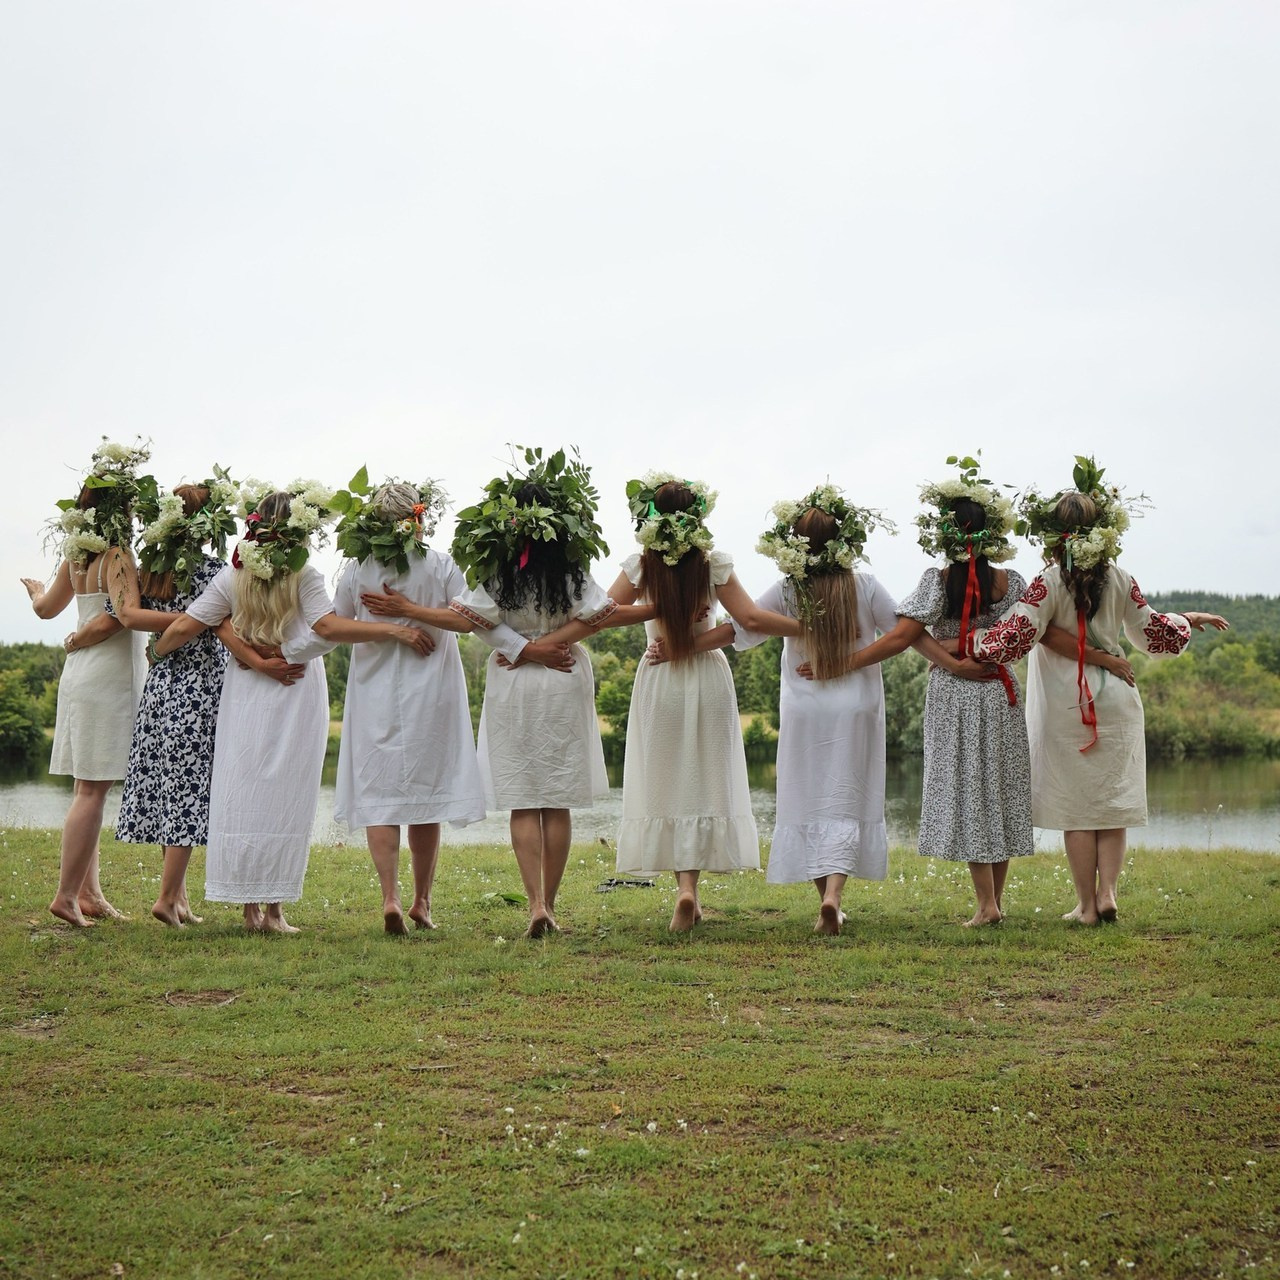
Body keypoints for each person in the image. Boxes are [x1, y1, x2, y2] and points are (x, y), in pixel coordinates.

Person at [362, 448, 643, 938]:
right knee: (555, 802)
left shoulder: (499, 571)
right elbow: (602, 614)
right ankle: (549, 907)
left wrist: (410, 609)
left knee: (522, 799)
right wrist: (557, 642)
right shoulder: (572, 571)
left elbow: (464, 621)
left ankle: (533, 903)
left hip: (513, 684)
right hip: (562, 680)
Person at [155, 484, 435, 933]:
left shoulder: (233, 576)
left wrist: (157, 653)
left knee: (242, 788)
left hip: (246, 689)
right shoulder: (304, 574)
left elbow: (190, 623)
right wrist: (391, 631)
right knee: (288, 793)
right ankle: (274, 911)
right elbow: (326, 627)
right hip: (297, 685)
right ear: (299, 529)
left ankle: (248, 910)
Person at [970, 458, 1228, 925]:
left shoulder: (1047, 583)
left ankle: (1087, 906)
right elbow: (1152, 632)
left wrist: (972, 641)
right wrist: (1186, 619)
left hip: (1067, 707)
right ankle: (1108, 894)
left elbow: (1012, 638)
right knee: (1112, 806)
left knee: (1078, 810)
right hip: (1118, 698)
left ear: (1053, 533)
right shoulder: (1122, 578)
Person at [580, 472, 800, 934]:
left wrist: (654, 612)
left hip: (660, 677)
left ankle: (684, 892)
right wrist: (810, 628)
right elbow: (751, 620)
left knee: (666, 779)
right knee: (700, 777)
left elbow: (599, 615)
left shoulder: (642, 565)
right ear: (697, 517)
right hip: (706, 677)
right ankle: (689, 890)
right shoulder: (712, 563)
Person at [85, 474, 303, 926]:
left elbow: (117, 616)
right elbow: (222, 627)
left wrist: (145, 643)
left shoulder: (152, 569)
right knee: (187, 792)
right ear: (207, 527)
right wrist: (258, 659)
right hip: (200, 689)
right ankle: (167, 898)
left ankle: (179, 898)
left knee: (170, 787)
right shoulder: (209, 571)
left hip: (160, 686)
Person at [711, 486, 925, 933]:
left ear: (795, 544)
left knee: (808, 799)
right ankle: (834, 896)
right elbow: (902, 631)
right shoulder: (864, 584)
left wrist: (684, 645)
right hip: (856, 705)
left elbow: (744, 624)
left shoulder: (790, 588)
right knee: (848, 797)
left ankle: (825, 901)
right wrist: (852, 660)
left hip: (805, 706)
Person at [326, 476, 488, 934]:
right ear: (418, 516)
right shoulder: (438, 564)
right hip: (429, 690)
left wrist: (400, 612)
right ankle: (421, 901)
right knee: (426, 797)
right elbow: (467, 619)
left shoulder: (359, 568)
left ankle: (390, 897)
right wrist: (409, 617)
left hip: (377, 689)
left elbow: (333, 626)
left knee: (380, 794)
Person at [22, 440, 150, 927]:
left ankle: (91, 893)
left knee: (86, 786)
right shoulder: (116, 555)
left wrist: (37, 593)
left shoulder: (76, 553)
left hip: (82, 676)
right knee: (93, 791)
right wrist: (79, 637)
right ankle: (66, 895)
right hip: (105, 675)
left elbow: (46, 608)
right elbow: (120, 616)